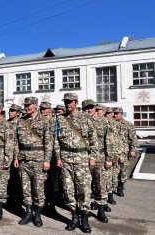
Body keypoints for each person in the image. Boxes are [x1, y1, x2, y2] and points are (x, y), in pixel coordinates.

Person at [54, 93, 98, 233]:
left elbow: (93, 140)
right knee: (68, 189)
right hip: (66, 159)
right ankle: (74, 217)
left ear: (76, 102)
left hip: (82, 158)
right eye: (66, 102)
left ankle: (84, 219)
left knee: (84, 189)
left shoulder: (86, 118)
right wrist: (58, 157)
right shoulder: (60, 119)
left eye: (71, 101)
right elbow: (56, 140)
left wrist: (93, 157)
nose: (68, 104)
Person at [14, 97, 52, 227]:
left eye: (29, 105)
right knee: (26, 189)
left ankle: (37, 214)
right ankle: (28, 212)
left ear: (35, 105)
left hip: (38, 160)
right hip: (24, 159)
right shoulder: (21, 120)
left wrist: (47, 160)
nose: (26, 107)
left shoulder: (44, 121)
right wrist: (16, 157)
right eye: (25, 105)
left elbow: (48, 143)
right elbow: (16, 141)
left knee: (38, 189)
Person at [82, 100, 111, 223]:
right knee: (84, 185)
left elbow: (109, 141)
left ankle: (101, 209)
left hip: (99, 157)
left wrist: (109, 158)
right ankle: (84, 210)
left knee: (100, 184)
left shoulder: (104, 122)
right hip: (83, 157)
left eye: (91, 108)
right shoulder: (80, 121)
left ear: (95, 108)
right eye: (86, 108)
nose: (89, 110)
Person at [113, 107, 137, 197]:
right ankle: (111, 189)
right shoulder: (111, 124)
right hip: (113, 152)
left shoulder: (128, 125)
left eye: (117, 113)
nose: (115, 115)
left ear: (121, 114)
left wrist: (133, 149)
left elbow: (133, 138)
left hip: (124, 152)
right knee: (114, 171)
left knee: (123, 171)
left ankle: (120, 188)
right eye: (114, 113)